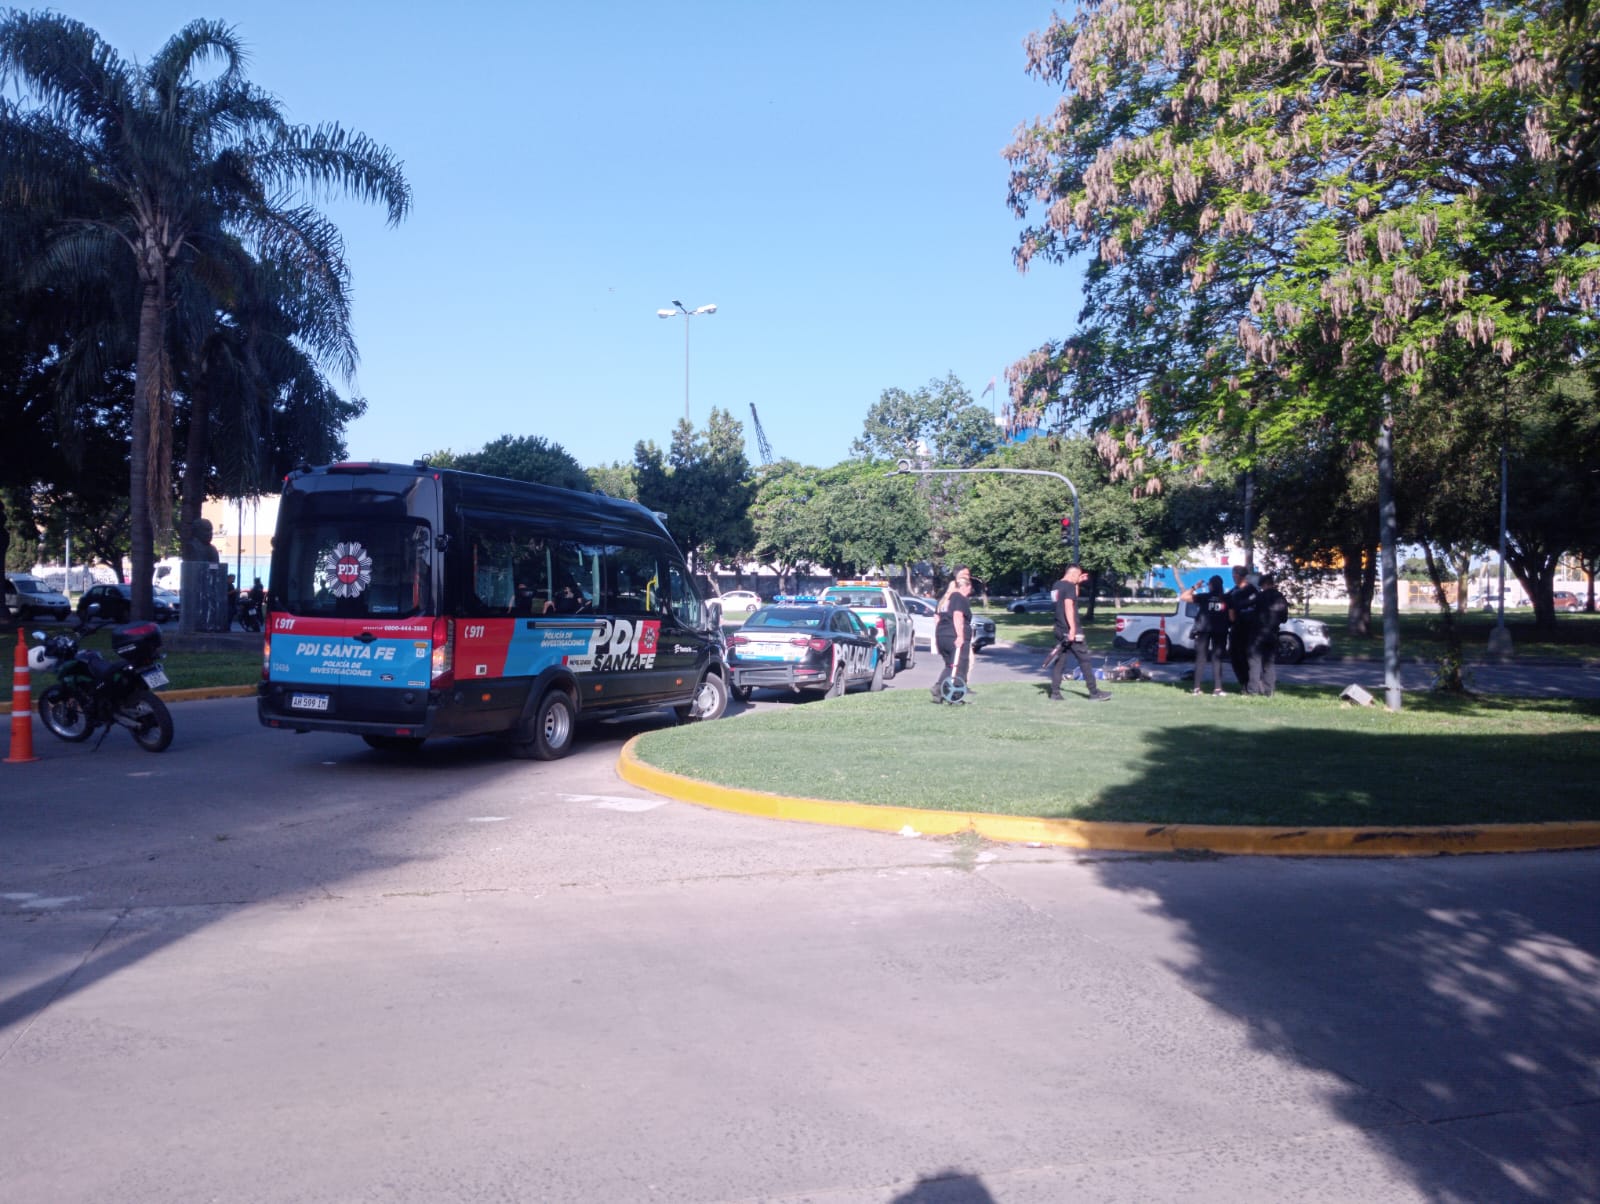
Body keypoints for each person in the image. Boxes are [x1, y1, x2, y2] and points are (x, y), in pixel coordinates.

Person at [1048, 563, 1111, 702]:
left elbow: (1072, 597)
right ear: (1073, 574)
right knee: (1085, 660)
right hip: (1072, 630)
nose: (1079, 578)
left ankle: (1055, 693)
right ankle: (1094, 693)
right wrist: (1072, 629)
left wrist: (1077, 582)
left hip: (1058, 629)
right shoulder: (1069, 586)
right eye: (1078, 575)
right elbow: (1069, 606)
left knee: (1060, 662)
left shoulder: (1056, 585)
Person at [1180, 572, 1230, 696]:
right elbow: (1232, 616)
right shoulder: (1226, 598)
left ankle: (1196, 688)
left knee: (1200, 658)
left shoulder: (1204, 597)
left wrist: (1195, 587)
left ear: (1211, 585)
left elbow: (1184, 597)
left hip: (1203, 630)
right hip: (1220, 630)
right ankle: (1217, 689)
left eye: (1209, 584)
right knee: (1217, 659)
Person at [931, 568, 974, 702]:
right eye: (969, 587)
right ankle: (953, 694)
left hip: (942, 635)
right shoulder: (959, 598)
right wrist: (960, 636)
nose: (970, 590)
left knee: (950, 665)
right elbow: (957, 616)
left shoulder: (944, 600)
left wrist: (939, 635)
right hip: (954, 636)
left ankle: (939, 690)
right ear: (964, 586)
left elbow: (936, 618)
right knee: (960, 665)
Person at [1248, 572, 1291, 696]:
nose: (1261, 588)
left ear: (1265, 584)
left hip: (1258, 633)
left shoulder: (1259, 597)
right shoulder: (1281, 598)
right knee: (1269, 663)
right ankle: (1269, 690)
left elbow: (1248, 608)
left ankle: (1253, 690)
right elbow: (1284, 618)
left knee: (1255, 662)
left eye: (1262, 585)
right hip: (1273, 633)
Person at [1225, 565, 1258, 689]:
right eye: (1233, 575)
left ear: (1240, 576)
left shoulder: (1251, 590)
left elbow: (1250, 605)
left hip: (1249, 628)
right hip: (1236, 628)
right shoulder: (1233, 591)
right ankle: (1243, 682)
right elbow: (1226, 601)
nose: (1233, 577)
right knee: (1234, 656)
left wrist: (1234, 607)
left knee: (1247, 657)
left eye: (1235, 575)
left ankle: (1251, 684)